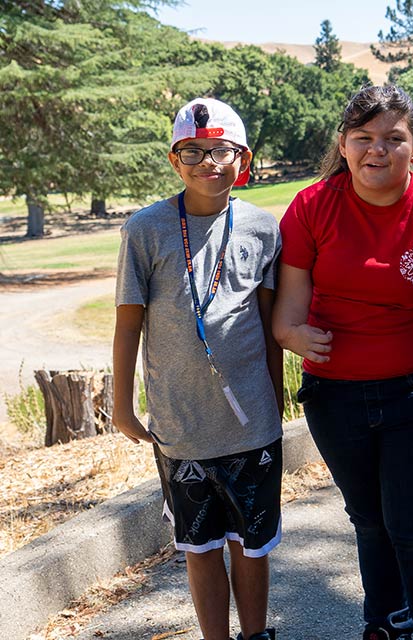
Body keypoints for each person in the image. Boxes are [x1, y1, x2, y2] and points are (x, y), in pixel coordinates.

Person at [272, 85, 413, 640]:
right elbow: (287, 313)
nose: (376, 150)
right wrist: (293, 335)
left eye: (393, 139)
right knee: (370, 522)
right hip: (334, 398)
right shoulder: (312, 206)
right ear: (344, 143)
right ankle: (385, 625)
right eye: (363, 138)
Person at [112, 97, 284, 640]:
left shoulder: (263, 228)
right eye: (192, 151)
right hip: (180, 426)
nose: (207, 162)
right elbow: (127, 325)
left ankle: (255, 635)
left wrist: (276, 401)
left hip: (251, 423)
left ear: (244, 159)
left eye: (220, 151)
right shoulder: (145, 229)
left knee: (251, 546)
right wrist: (122, 405)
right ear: (173, 160)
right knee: (200, 547)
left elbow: (270, 326)